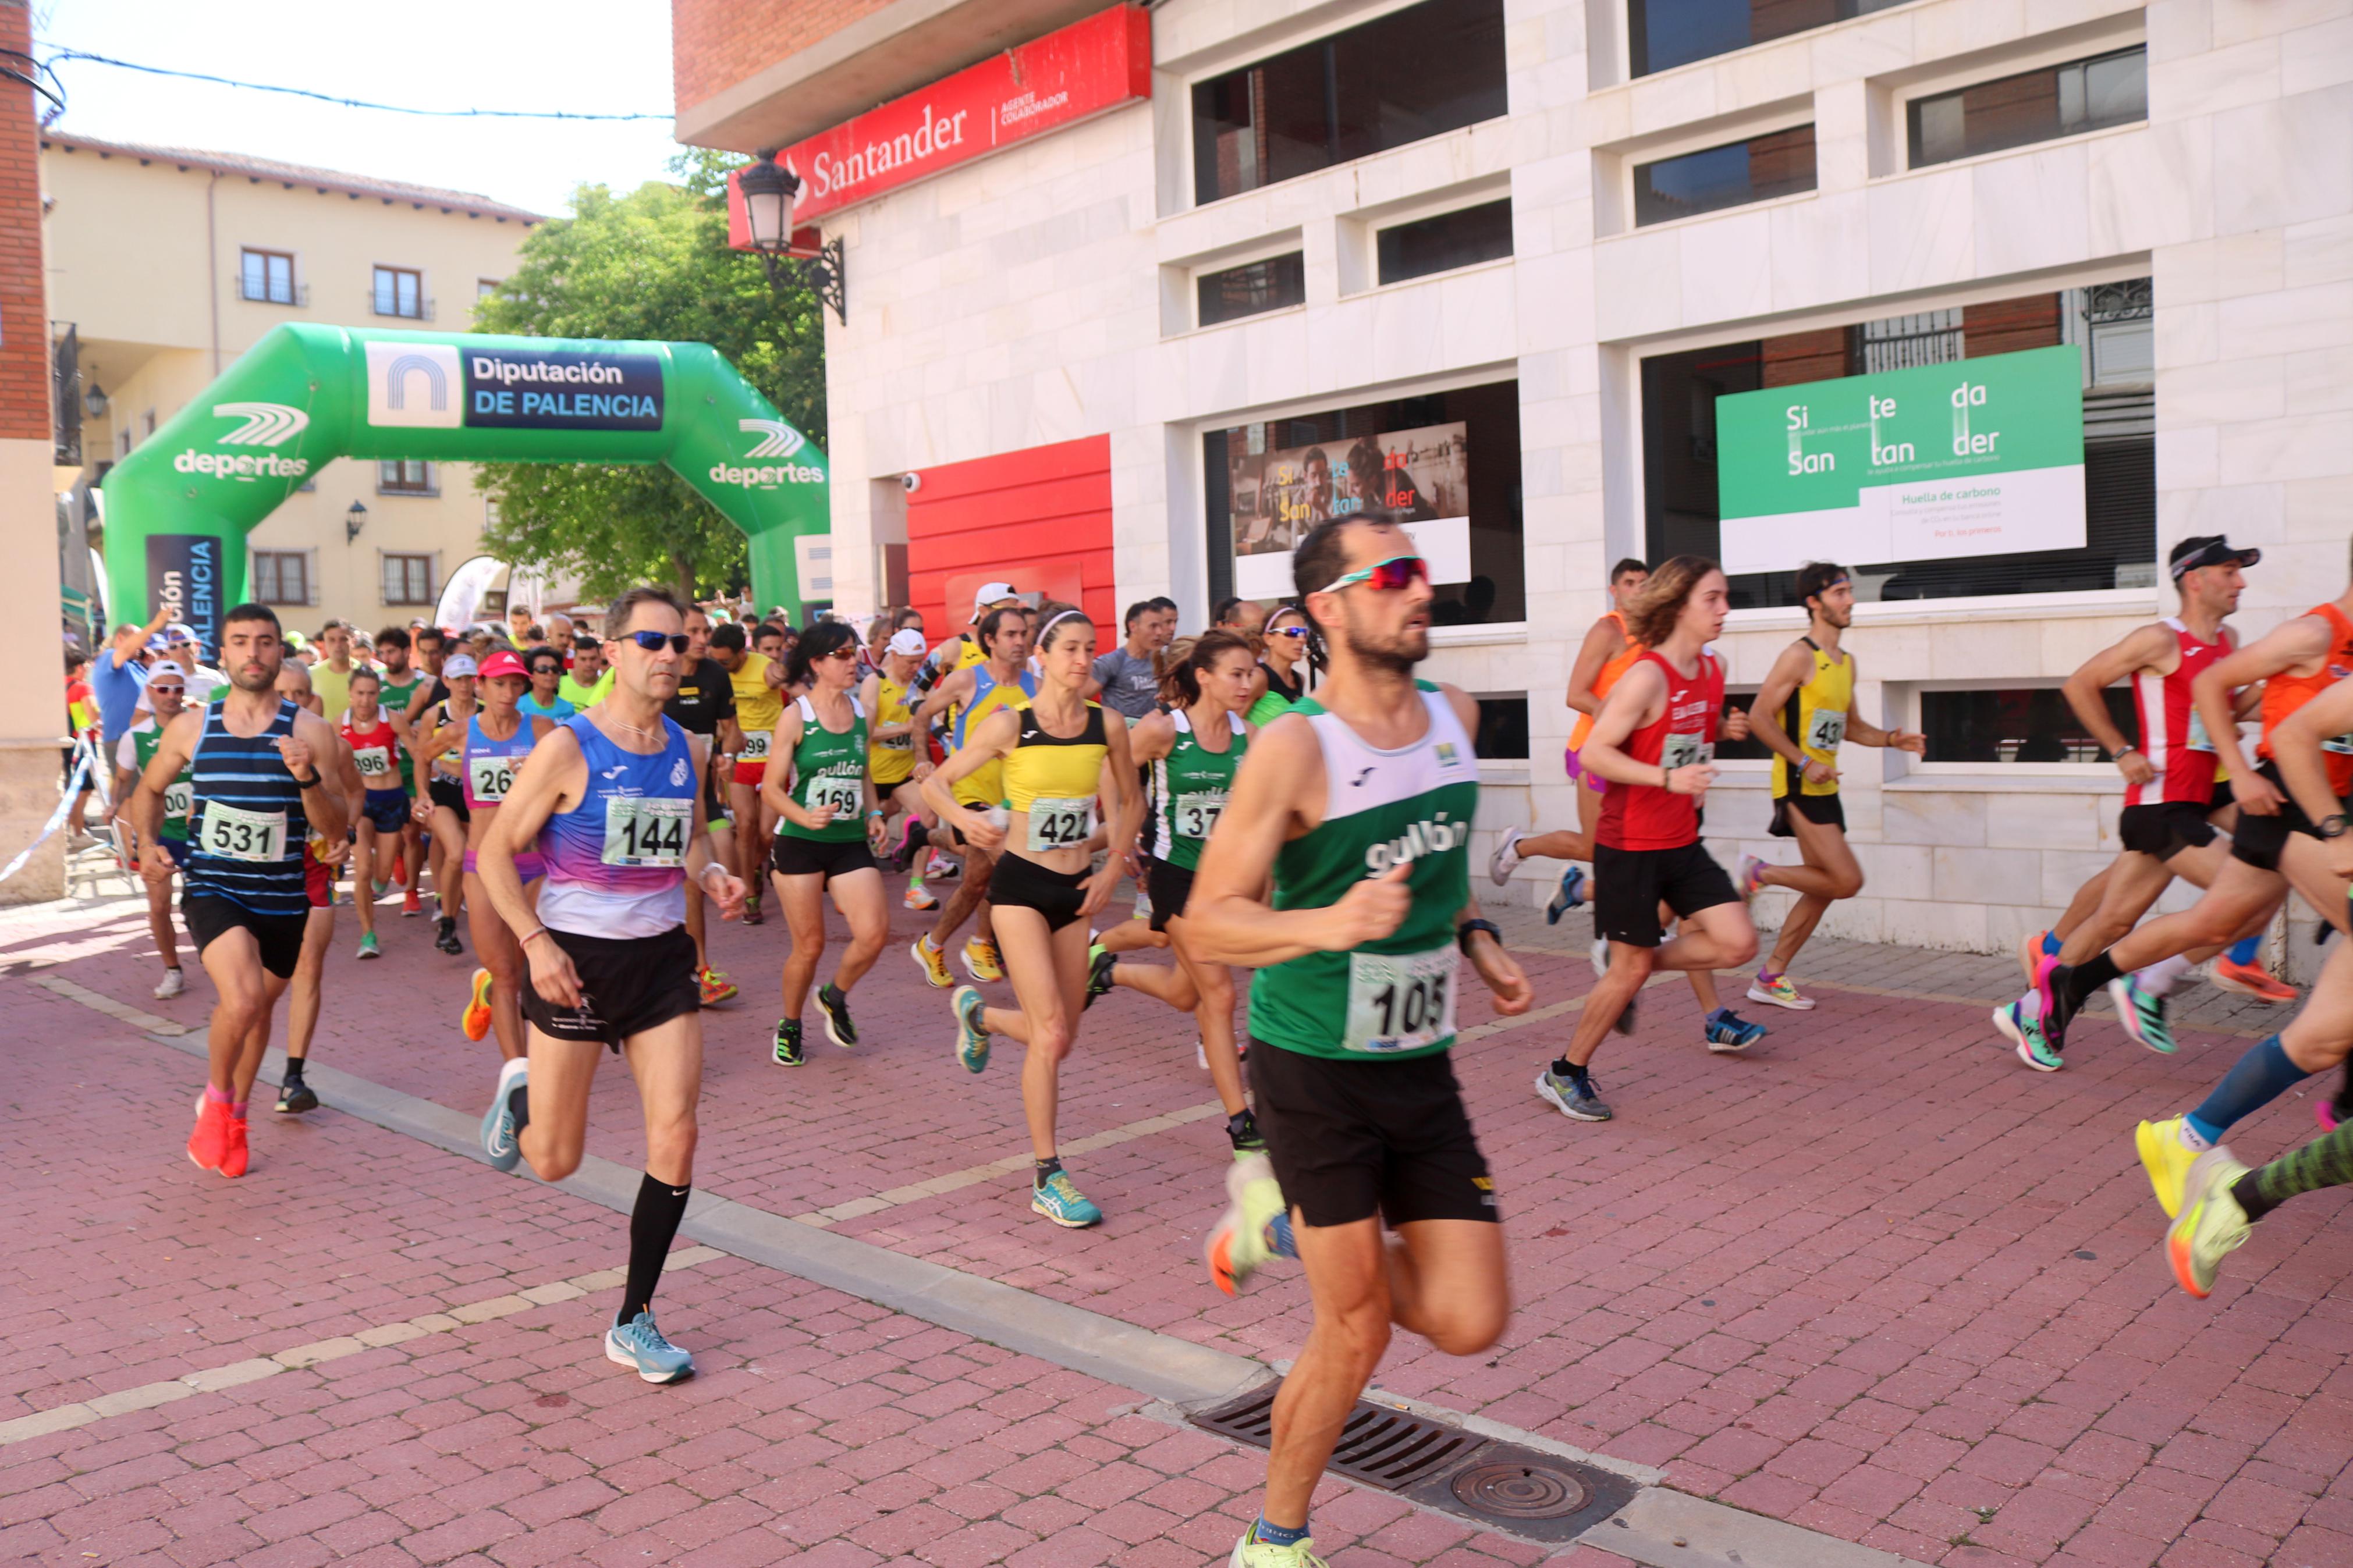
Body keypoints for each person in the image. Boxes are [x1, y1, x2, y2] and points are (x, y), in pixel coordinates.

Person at [1181, 519, 1531, 1567]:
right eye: (1390, 576)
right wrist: (1324, 925)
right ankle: (1273, 1541)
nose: (1416, 589)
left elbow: (1436, 860)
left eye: (1419, 571)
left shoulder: (1451, 719)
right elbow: (1206, 919)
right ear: (1329, 608)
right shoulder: (1296, 747)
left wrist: (1474, 938)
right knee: (1357, 1327)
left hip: (1418, 1062)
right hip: (1312, 1071)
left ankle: (1276, 1227)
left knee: (1470, 1320)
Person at [474, 586, 746, 1385]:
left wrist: (717, 871)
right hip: (574, 962)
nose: (669, 654)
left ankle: (635, 1317)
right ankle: (520, 1086)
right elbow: (494, 855)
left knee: (679, 1132)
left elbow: (689, 841)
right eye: (651, 641)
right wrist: (534, 943)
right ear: (615, 650)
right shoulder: (569, 745)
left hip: (661, 959)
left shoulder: (687, 747)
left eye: (679, 643)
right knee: (554, 1159)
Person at [2017, 546, 2353, 1064]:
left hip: (2200, 794)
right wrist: (2121, 750)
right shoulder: (2159, 638)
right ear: (2192, 579)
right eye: (2230, 571)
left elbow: (2226, 708)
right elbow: (2078, 683)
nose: (2241, 583)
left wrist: (2287, 690)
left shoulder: (2228, 642)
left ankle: (2046, 990)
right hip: (2159, 797)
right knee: (2230, 904)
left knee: (2117, 919)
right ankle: (2148, 980)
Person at [927, 609, 1142, 1227]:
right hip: (1020, 886)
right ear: (1042, 657)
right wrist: (964, 821)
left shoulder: (1108, 725)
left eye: (1089, 649)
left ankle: (981, 1015)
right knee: (1048, 1034)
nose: (1082, 660)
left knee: (1062, 1035)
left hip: (1077, 888)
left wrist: (1110, 869)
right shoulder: (1008, 725)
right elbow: (938, 782)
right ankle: (1048, 1174)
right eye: (1069, 649)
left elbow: (1130, 801)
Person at [1539, 557, 1762, 1123]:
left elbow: (1683, 732)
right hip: (1630, 844)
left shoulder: (1713, 670)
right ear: (1678, 605)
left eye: (1724, 597)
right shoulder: (1645, 675)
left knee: (1736, 943)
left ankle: (1627, 962)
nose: (1724, 610)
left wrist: (1720, 733)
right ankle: (1563, 1072)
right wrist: (1667, 779)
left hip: (1681, 841)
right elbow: (1595, 753)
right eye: (1711, 599)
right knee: (1629, 969)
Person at [132, 603, 347, 1178]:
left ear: (281, 652)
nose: (253, 652)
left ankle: (238, 1114)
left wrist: (305, 778)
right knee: (245, 998)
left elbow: (334, 827)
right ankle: (217, 1099)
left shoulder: (310, 732)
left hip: (282, 897)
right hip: (212, 886)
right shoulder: (193, 726)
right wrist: (149, 843)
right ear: (221, 654)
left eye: (265, 642)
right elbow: (148, 790)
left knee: (257, 1011)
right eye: (241, 642)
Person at [1734, 563, 1926, 1009]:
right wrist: (1803, 761)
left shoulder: (1845, 663)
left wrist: (1892, 739)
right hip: (1797, 783)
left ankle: (1770, 977)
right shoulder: (1797, 656)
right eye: (1839, 592)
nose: (1850, 600)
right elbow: (1760, 717)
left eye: (1848, 591)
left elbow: (1851, 727)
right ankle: (1757, 873)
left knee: (1823, 887)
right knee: (1846, 879)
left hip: (1824, 785)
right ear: (1813, 602)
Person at [1101, 631, 1264, 1153]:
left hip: (1229, 883)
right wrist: (1124, 832)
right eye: (1236, 674)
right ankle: (1241, 1120)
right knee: (1219, 995)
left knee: (1185, 992)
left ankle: (1107, 969)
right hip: (1177, 876)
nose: (1247, 683)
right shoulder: (1162, 730)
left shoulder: (1252, 736)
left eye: (1250, 673)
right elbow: (1112, 768)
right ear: (1204, 676)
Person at [1488, 557, 1649, 918]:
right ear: (1614, 591)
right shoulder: (1608, 631)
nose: (1638, 589)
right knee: (1595, 847)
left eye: (1644, 582)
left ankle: (1622, 916)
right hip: (1594, 751)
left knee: (1637, 844)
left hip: (1631, 759)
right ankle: (1519, 847)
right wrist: (1620, 721)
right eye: (1629, 583)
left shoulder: (1654, 634)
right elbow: (1576, 695)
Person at [762, 622, 893, 1065]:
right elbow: (771, 789)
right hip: (799, 840)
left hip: (848, 839)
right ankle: (790, 1023)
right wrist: (803, 815)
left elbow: (863, 772)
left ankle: (835, 996)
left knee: (874, 934)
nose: (853, 659)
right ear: (817, 663)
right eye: (842, 654)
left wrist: (874, 813)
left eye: (853, 652)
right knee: (810, 946)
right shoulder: (795, 715)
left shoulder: (860, 713)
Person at [412, 650, 552, 1059]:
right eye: (499, 683)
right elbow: (422, 755)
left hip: (535, 864)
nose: (508, 692)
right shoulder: (460, 732)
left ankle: (495, 995)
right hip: (483, 865)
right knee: (505, 973)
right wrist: (423, 795)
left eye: (515, 683)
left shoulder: (543, 729)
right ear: (481, 686)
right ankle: (518, 1075)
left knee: (534, 966)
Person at [908, 606, 1034, 987]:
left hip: (1011, 797)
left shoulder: (1035, 686)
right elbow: (921, 713)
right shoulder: (967, 680)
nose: (1019, 641)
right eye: (1011, 634)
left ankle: (933, 944)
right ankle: (985, 942)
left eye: (1024, 633)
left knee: (978, 880)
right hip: (968, 791)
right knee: (1008, 864)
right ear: (991, 640)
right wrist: (922, 761)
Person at [268, 659, 364, 1117]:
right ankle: (233, 1075)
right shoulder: (245, 743)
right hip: (259, 876)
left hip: (311, 868)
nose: (292, 703)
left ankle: (292, 1077)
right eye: (283, 694)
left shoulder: (331, 744)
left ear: (314, 699)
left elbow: (354, 793)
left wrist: (343, 834)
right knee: (259, 986)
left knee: (308, 966)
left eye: (301, 694)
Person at [664, 605, 744, 1006]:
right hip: (663, 799)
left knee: (724, 863)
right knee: (689, 885)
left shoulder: (716, 674)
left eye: (704, 631)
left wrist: (726, 753)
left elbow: (734, 732)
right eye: (692, 632)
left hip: (704, 797)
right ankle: (699, 970)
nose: (701, 639)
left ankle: (693, 967)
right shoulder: (661, 674)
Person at [112, 660, 195, 998]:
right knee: (160, 906)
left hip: (202, 834)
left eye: (178, 689)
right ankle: (172, 969)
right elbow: (122, 780)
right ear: (150, 692)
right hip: (161, 835)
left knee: (202, 905)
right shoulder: (136, 737)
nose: (172, 695)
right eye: (164, 689)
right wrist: (115, 809)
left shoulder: (199, 729)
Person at [861, 627, 940, 911]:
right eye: (911, 662)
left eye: (921, 662)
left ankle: (916, 887)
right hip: (872, 774)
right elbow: (867, 732)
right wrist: (907, 727)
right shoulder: (875, 682)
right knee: (868, 826)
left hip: (903, 773)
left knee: (930, 812)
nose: (917, 668)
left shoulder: (921, 686)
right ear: (894, 656)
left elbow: (940, 712)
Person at [711, 621, 783, 926]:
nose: (721, 666)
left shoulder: (766, 668)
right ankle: (751, 896)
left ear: (743, 652)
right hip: (738, 758)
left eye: (726, 661)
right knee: (746, 824)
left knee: (766, 833)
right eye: (717, 660)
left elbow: (793, 684)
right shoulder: (716, 675)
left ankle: (753, 866)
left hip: (771, 759)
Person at [409, 653, 481, 957]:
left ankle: (462, 917)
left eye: (469, 678)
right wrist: (423, 794)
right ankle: (449, 922)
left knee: (480, 862)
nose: (464, 685)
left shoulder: (488, 713)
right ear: (446, 681)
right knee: (456, 852)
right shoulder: (435, 715)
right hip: (444, 793)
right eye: (458, 679)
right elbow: (422, 759)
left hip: (478, 796)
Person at [338, 668, 409, 959]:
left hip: (391, 799)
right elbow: (328, 767)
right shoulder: (338, 726)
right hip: (360, 803)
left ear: (378, 694)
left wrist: (423, 793)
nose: (365, 700)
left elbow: (418, 755)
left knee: (382, 874)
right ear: (350, 694)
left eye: (371, 693)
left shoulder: (392, 720)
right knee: (364, 869)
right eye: (360, 693)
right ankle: (368, 935)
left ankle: (385, 875)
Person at [1089, 601, 1167, 724]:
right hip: (1123, 737)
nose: (1159, 632)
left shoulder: (1161, 661)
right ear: (1133, 627)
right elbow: (1077, 698)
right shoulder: (1113, 661)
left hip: (1154, 736)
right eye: (1153, 626)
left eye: (1160, 627)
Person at [1248, 603, 1310, 724]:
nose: (1301, 639)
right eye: (1292, 632)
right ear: (1269, 639)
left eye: (1304, 633)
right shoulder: (1259, 677)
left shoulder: (1300, 679)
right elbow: (1233, 724)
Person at [310, 620, 369, 724]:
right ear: (324, 643)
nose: (338, 645)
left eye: (343, 639)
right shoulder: (311, 675)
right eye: (331, 640)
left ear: (353, 642)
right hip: (324, 739)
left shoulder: (367, 674)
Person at [519, 646, 578, 723]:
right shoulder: (518, 707)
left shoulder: (568, 709)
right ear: (531, 676)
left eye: (555, 669)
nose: (550, 673)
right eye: (543, 669)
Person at [558, 634, 613, 710]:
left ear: (600, 659)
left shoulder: (608, 686)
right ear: (575, 659)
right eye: (583, 659)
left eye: (593, 659)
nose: (589, 664)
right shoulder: (559, 681)